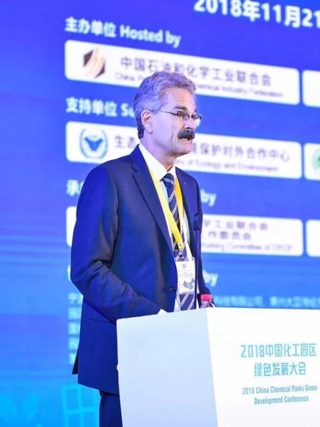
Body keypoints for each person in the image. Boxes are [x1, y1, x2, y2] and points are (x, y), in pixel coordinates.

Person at [69, 71, 213, 427]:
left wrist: (205, 308)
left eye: (194, 116)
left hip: (184, 352)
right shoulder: (110, 179)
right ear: (147, 119)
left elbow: (187, 262)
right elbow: (88, 269)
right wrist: (155, 320)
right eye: (180, 114)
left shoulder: (189, 186)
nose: (190, 125)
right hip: (130, 350)